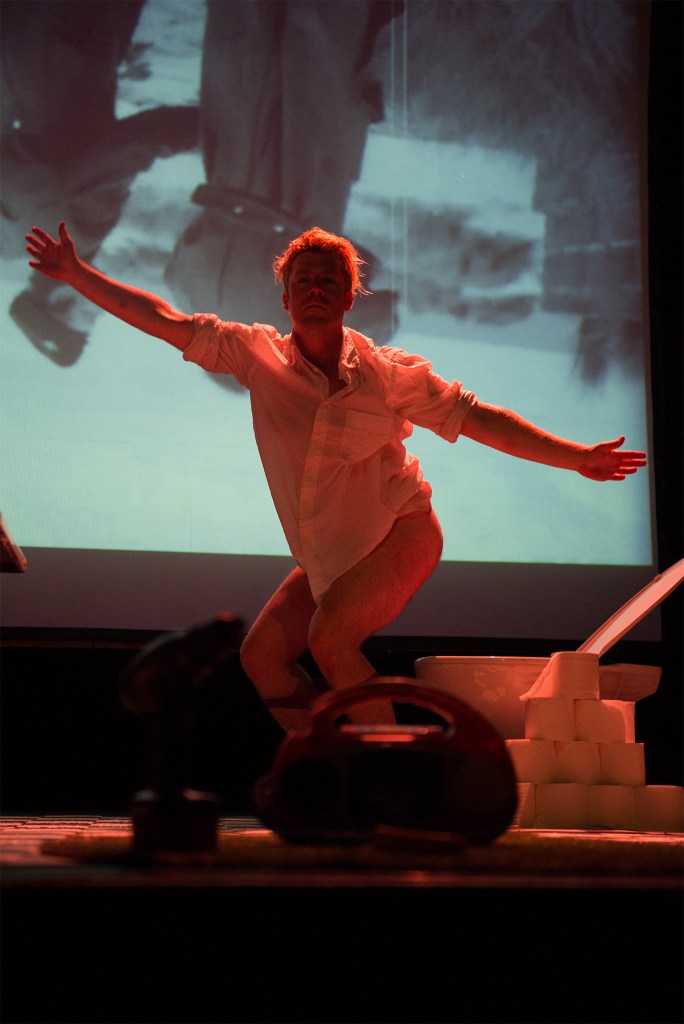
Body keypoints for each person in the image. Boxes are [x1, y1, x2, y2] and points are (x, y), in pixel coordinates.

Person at [26, 221, 647, 732]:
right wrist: (76, 274)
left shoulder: (388, 374)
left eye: (329, 280)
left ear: (350, 297)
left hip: (401, 533)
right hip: (330, 552)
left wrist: (577, 457)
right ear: (285, 299)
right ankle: (324, 767)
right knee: (262, 657)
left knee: (331, 641)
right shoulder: (255, 355)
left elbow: (480, 418)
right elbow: (163, 318)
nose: (315, 289)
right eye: (303, 280)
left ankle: (388, 776)